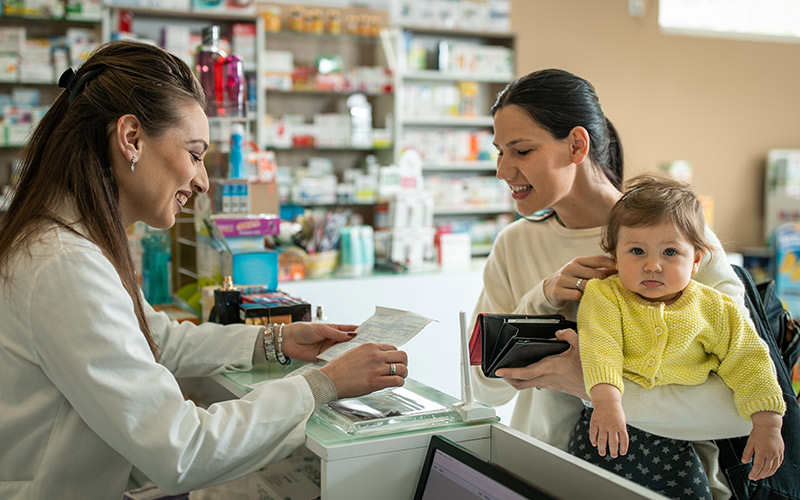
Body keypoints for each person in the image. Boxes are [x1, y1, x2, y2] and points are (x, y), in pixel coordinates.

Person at [0, 40, 408, 499]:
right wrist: (322, 384)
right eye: (194, 153)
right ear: (131, 138)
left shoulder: (68, 240)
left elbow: (156, 340)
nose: (202, 180)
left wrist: (275, 340)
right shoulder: (65, 265)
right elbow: (183, 449)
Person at [468, 69, 755, 499]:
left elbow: (743, 410)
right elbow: (483, 387)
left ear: (577, 145)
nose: (503, 170)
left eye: (522, 150)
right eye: (499, 152)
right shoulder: (515, 244)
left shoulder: (679, 242)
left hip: (662, 484)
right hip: (540, 476)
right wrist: (541, 298)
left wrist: (592, 387)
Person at [571, 174, 785, 499]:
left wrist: (768, 424)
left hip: (677, 435)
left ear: (696, 260)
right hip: (605, 423)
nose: (653, 265)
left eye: (670, 252)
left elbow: (749, 360)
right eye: (637, 251)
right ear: (615, 256)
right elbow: (601, 347)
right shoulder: (605, 296)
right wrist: (607, 402)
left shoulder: (715, 308)